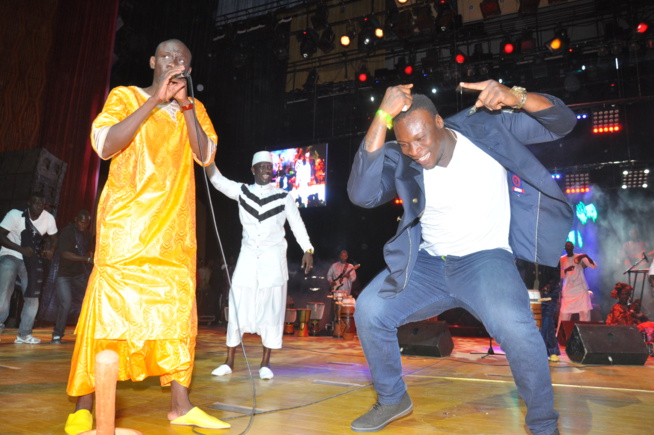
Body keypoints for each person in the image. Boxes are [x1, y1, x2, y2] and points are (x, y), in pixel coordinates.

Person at [347, 80, 576, 434]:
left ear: (440, 122)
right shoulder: (404, 157)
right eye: (406, 143)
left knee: (517, 330)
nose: (415, 151)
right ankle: (393, 398)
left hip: (485, 261)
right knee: (370, 310)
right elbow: (362, 194)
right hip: (428, 265)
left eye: (421, 139)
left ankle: (544, 424)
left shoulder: (486, 126)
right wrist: (381, 116)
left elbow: (562, 122)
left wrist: (516, 96)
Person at [64, 39, 229, 435]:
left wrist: (186, 108)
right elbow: (105, 145)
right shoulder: (125, 96)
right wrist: (154, 100)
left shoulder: (197, 109)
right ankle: (85, 403)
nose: (178, 64)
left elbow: (205, 156)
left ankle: (180, 405)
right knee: (108, 313)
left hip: (173, 234)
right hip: (127, 228)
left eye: (185, 61)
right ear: (154, 61)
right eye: (171, 57)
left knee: (175, 314)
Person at [207, 151, 314, 380]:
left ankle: (265, 363)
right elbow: (217, 181)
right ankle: (229, 362)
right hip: (248, 257)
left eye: (269, 166)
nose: (266, 169)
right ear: (253, 170)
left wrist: (308, 249)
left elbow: (297, 225)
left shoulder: (284, 197)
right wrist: (208, 159)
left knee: (272, 309)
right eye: (262, 166)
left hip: (273, 259)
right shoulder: (243, 192)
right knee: (237, 305)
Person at [0, 192, 58, 344]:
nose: (39, 206)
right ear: (28, 203)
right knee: (5, 293)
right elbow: (1, 235)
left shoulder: (48, 218)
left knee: (33, 296)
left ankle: (24, 334)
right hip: (10, 254)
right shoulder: (15, 214)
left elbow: (54, 237)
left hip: (30, 259)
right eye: (35, 203)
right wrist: (20, 249)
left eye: (42, 204)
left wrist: (51, 250)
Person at [51, 210, 93, 344]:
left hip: (79, 274)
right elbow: (65, 254)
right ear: (75, 219)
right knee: (66, 303)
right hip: (64, 275)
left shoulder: (86, 234)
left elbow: (88, 249)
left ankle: (86, 332)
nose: (83, 225)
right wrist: (85, 258)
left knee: (90, 298)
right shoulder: (67, 232)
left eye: (86, 223)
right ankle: (57, 334)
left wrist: (89, 254)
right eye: (81, 222)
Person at [516, 260, 562, 362]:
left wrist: (546, 290)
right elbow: (519, 273)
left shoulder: (551, 253)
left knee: (547, 320)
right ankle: (528, 351)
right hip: (528, 292)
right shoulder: (524, 254)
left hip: (548, 293)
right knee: (527, 321)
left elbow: (556, 276)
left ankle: (551, 351)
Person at [559, 241, 596, 323]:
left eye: (570, 246)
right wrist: (566, 270)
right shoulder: (562, 259)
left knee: (585, 312)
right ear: (565, 248)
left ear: (573, 247)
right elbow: (558, 274)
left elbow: (593, 266)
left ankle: (585, 332)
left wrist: (586, 256)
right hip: (569, 289)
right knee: (564, 314)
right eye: (566, 246)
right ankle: (561, 334)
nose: (568, 247)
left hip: (580, 288)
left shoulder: (579, 257)